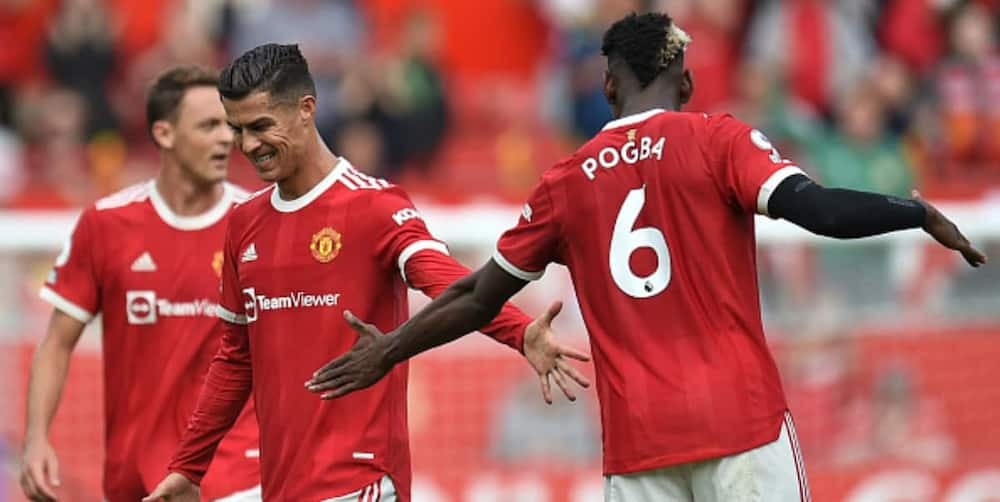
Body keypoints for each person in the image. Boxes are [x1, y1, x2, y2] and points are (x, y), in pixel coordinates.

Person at [307, 12, 987, 502]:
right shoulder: (719, 141)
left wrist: (390, 348)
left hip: (638, 449)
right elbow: (821, 212)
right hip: (740, 425)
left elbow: (475, 297)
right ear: (684, 84)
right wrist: (917, 212)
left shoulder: (565, 183)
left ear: (608, 88)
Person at [144, 44, 587, 502]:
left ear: (306, 110)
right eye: (237, 130)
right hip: (281, 488)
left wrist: (520, 332)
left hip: (361, 484)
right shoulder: (244, 223)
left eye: (260, 126)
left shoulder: (373, 205)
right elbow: (235, 359)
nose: (248, 145)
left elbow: (447, 282)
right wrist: (190, 467)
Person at [21, 66, 262, 502]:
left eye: (229, 126)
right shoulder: (108, 224)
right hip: (135, 472)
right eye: (209, 126)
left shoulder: (257, 224)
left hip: (235, 471)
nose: (227, 139)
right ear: (165, 134)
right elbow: (57, 341)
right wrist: (36, 438)